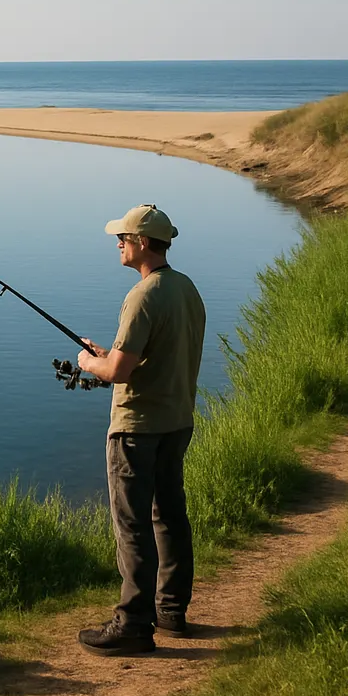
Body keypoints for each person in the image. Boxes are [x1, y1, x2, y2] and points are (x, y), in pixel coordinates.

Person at [73, 203, 206, 656]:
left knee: (132, 526)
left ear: (143, 243)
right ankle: (171, 610)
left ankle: (132, 623)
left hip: (137, 428)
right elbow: (152, 355)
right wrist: (110, 354)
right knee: (169, 517)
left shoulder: (142, 295)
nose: (118, 245)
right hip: (177, 421)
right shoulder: (186, 289)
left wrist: (91, 362)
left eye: (123, 239)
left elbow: (119, 373)